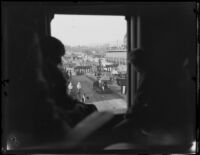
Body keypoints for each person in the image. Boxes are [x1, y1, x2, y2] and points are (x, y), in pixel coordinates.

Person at [111, 48, 195, 146]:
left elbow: (139, 101)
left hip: (161, 119)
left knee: (117, 131)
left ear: (137, 64)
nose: (134, 69)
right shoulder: (160, 74)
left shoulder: (148, 78)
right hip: (172, 119)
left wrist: (129, 115)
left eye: (133, 65)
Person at [40, 36, 97, 127]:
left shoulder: (54, 73)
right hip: (53, 125)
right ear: (45, 55)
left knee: (91, 109)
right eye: (56, 56)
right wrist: (73, 113)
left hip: (63, 112)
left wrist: (76, 104)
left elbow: (63, 98)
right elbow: (46, 110)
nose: (59, 61)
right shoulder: (41, 78)